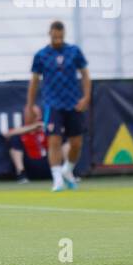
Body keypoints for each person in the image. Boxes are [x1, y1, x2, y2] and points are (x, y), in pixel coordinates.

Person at [26, 21, 91, 192]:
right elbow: (34, 81)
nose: (57, 39)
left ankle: (67, 170)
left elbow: (85, 75)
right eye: (55, 36)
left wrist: (86, 97)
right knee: (53, 140)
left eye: (60, 36)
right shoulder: (41, 55)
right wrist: (30, 105)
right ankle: (57, 180)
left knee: (76, 143)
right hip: (52, 104)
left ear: (64, 34)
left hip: (73, 103)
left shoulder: (74, 51)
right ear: (50, 34)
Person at [5, 108, 52, 182]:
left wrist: (45, 127)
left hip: (49, 163)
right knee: (14, 139)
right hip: (30, 165)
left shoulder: (45, 127)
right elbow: (7, 134)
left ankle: (69, 172)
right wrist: (33, 127)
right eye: (28, 114)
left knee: (60, 138)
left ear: (39, 116)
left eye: (34, 115)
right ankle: (21, 174)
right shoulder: (20, 130)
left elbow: (62, 131)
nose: (30, 117)